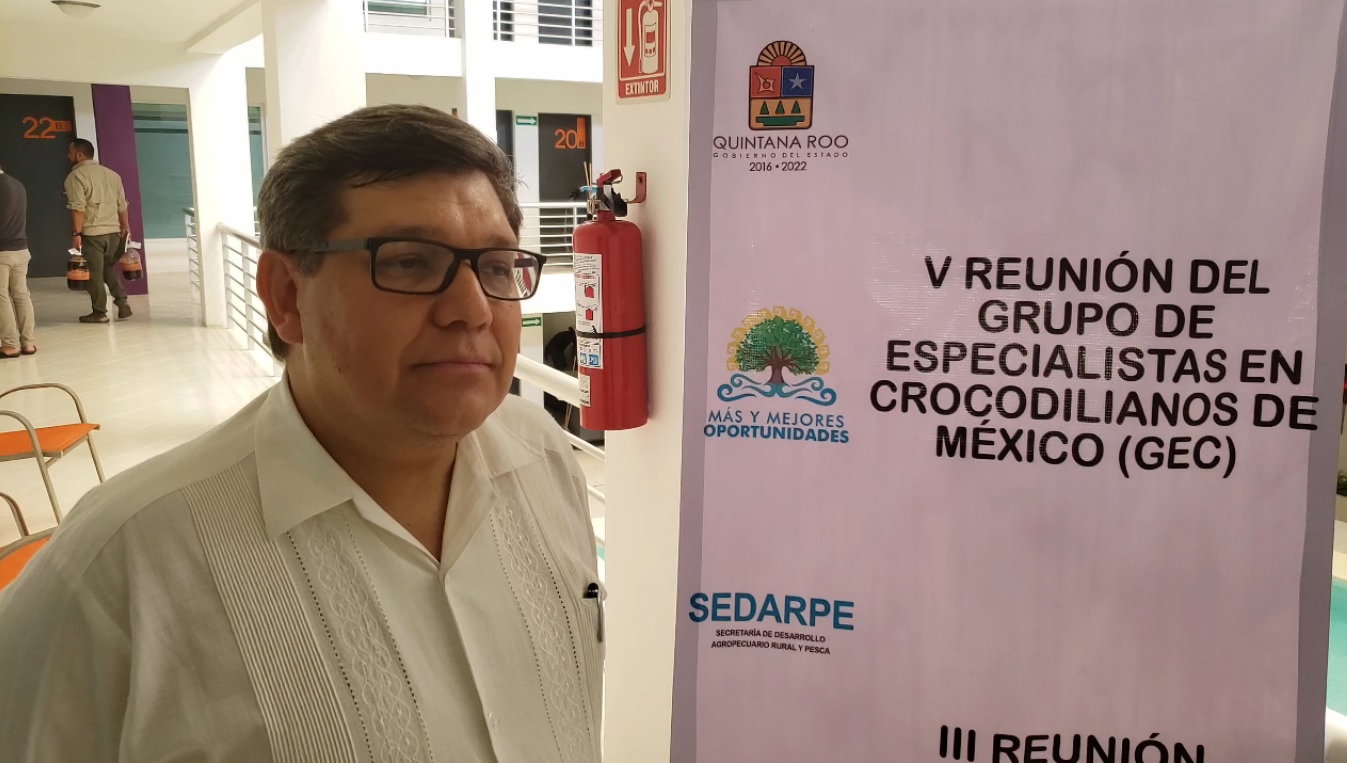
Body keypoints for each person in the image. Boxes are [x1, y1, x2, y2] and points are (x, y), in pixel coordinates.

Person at [0, 105, 604, 761]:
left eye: (496, 266)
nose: (472, 310)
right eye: (408, 262)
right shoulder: (121, 567)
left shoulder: (543, 454)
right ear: (287, 296)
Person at [64, 137, 132, 323]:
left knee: (94, 274)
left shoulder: (76, 177)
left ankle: (99, 313)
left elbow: (78, 208)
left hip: (93, 234)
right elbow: (122, 205)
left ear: (79, 155)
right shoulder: (112, 175)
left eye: (70, 152)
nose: (68, 156)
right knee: (107, 268)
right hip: (114, 233)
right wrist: (125, 227)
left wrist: (76, 233)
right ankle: (122, 302)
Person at [0, 162, 35, 357]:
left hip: (1, 251)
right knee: (21, 295)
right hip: (21, 248)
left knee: (1, 296)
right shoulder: (17, 185)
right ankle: (28, 343)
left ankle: (10, 344)